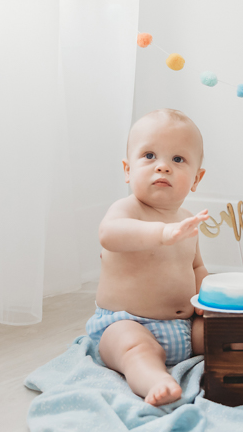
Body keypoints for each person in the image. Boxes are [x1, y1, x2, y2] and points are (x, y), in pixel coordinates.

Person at [86, 109, 209, 406]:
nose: (163, 167)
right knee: (135, 349)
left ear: (196, 178)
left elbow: (196, 266)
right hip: (126, 323)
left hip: (184, 327)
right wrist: (162, 234)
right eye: (150, 156)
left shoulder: (187, 219)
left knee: (225, 331)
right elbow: (110, 235)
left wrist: (209, 296)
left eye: (177, 160)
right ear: (128, 170)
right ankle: (154, 379)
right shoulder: (127, 210)